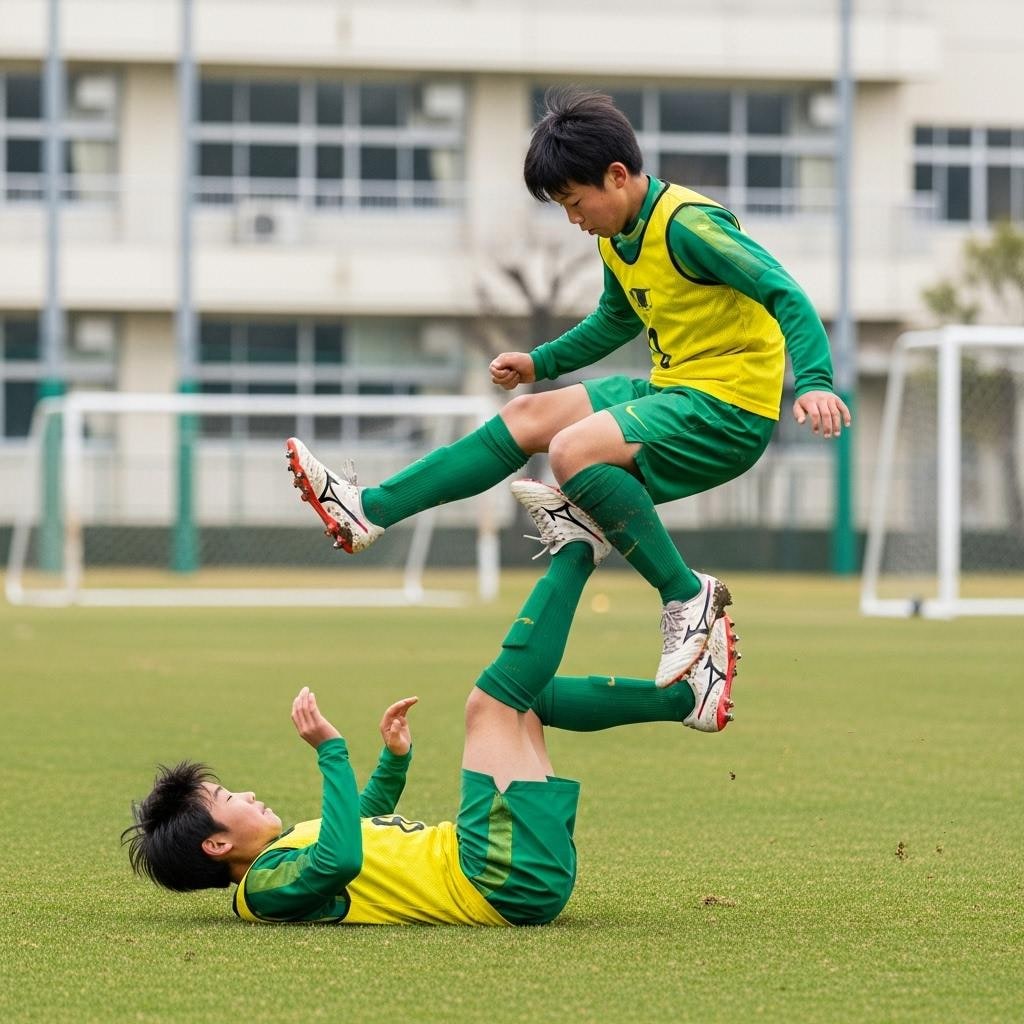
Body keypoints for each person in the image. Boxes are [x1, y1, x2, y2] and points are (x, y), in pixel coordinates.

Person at [286, 86, 831, 689]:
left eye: (574, 202)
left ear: (617, 176)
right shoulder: (617, 235)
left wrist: (814, 381)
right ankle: (371, 512)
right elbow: (616, 319)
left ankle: (686, 596)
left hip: (731, 410)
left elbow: (784, 290)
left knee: (573, 452)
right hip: (675, 390)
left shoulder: (690, 226)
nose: (573, 220)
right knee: (530, 418)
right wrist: (538, 362)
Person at [122, 491, 739, 925]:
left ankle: (686, 698)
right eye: (229, 800)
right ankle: (577, 547)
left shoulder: (285, 854)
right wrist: (330, 750)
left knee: (529, 701)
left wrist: (392, 762)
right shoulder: (262, 891)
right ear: (215, 847)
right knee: (491, 701)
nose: (248, 794)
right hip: (495, 877)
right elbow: (342, 857)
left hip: (507, 869)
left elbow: (355, 828)